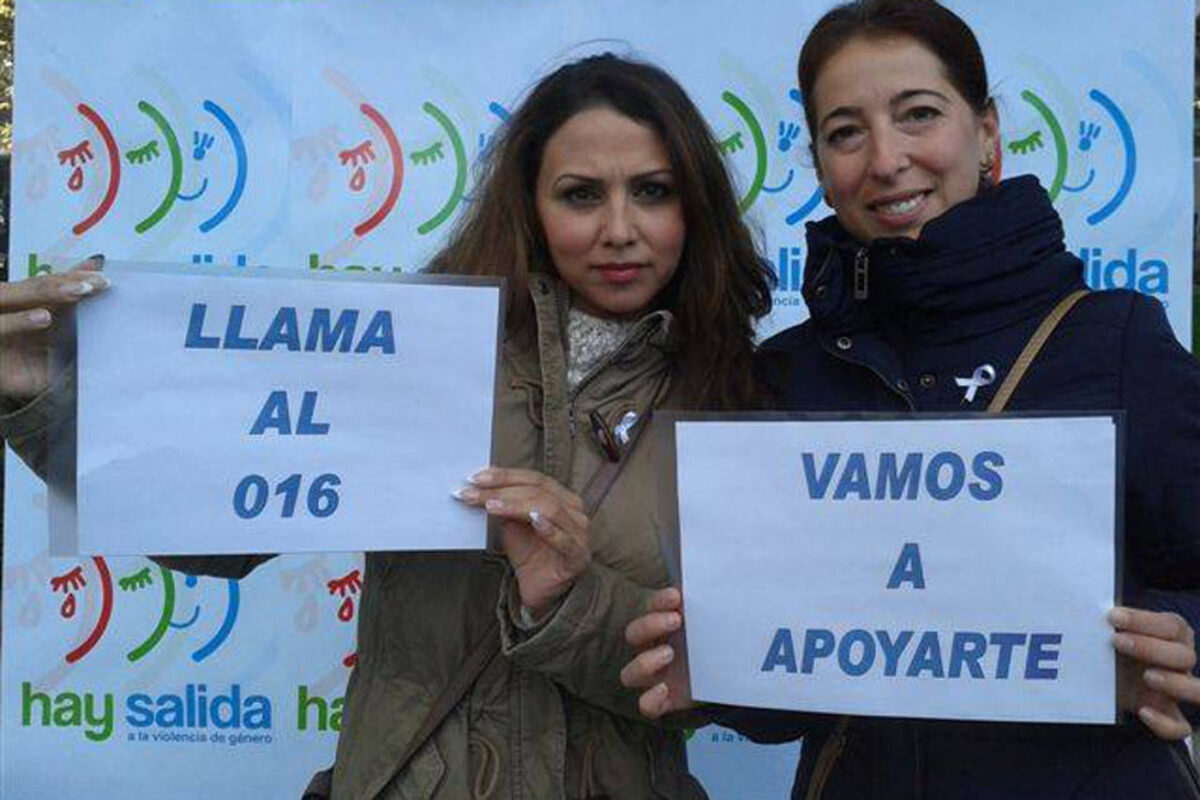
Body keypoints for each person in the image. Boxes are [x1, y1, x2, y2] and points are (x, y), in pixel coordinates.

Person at [0, 55, 774, 798]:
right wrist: (46, 399)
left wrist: (568, 599)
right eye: (579, 195)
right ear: (530, 206)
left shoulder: (739, 396)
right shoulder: (416, 350)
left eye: (652, 191)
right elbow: (220, 528)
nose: (618, 229)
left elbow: (726, 683)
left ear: (693, 204)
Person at [620, 1, 1200, 797]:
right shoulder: (786, 375)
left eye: (919, 114)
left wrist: (1181, 639)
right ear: (821, 163)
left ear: (987, 131)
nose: (886, 160)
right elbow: (790, 687)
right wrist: (720, 667)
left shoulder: (1116, 340)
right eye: (846, 132)